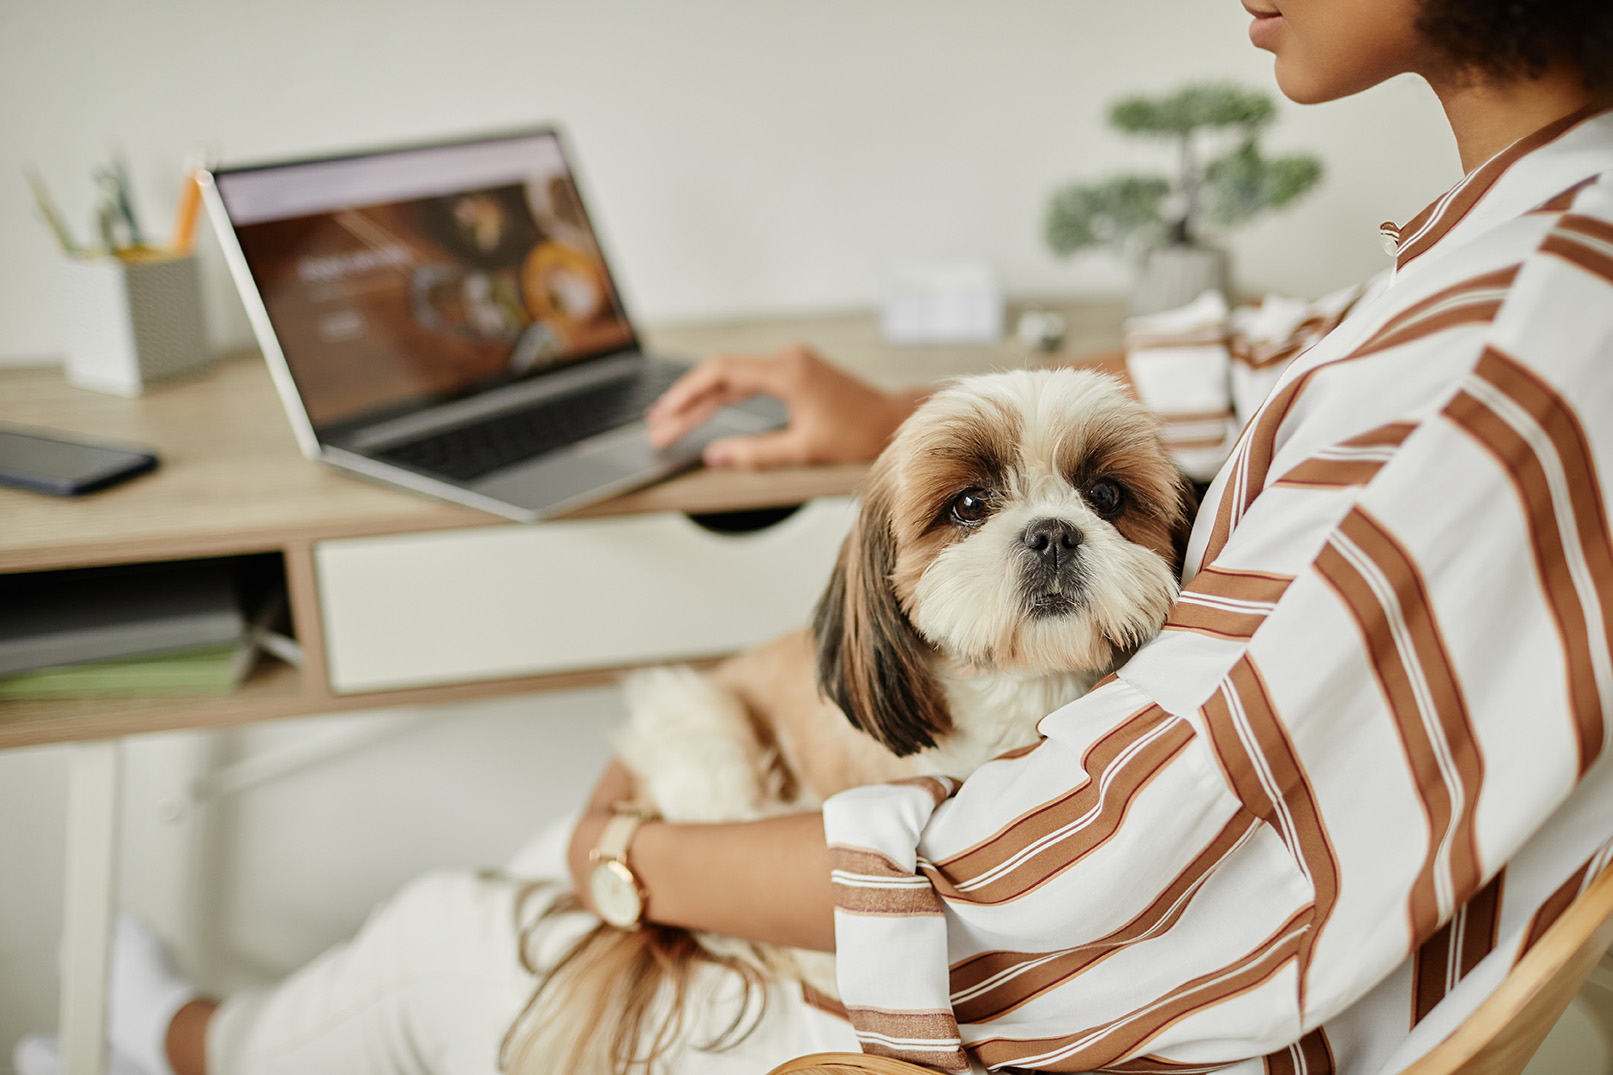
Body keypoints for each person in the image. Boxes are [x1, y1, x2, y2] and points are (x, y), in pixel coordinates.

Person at [18, 0, 1613, 1072]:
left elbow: (1078, 889)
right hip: (1174, 942)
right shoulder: (1531, 246)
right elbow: (1276, 371)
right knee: (537, 849)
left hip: (1136, 1017)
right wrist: (902, 420)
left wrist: (630, 861)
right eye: (978, 510)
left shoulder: (1511, 354)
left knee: (469, 917)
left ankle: (180, 1046)